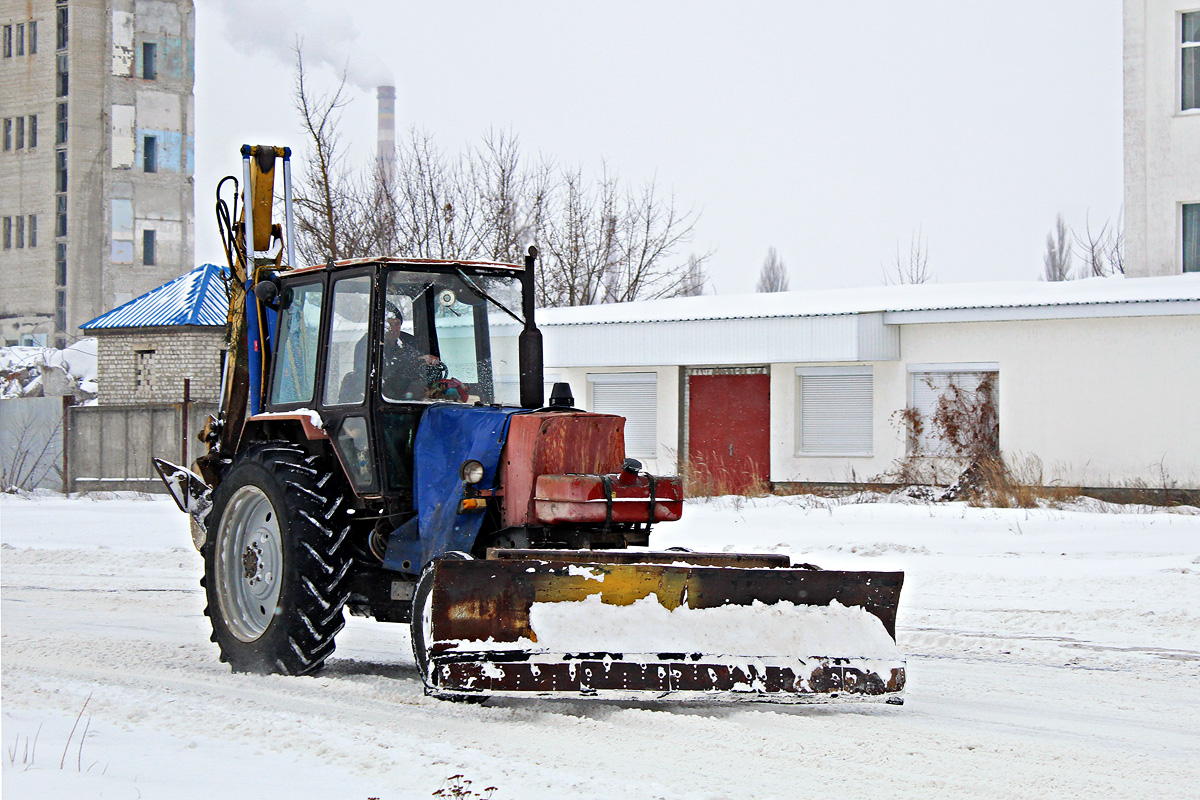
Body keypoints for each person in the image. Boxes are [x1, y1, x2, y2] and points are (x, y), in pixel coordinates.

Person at [381, 301, 442, 400]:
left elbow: (415, 358)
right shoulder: (369, 344)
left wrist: (425, 360)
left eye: (397, 324)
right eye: (389, 324)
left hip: (410, 394)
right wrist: (417, 361)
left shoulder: (408, 341)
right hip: (385, 397)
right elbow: (385, 371)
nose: (394, 329)